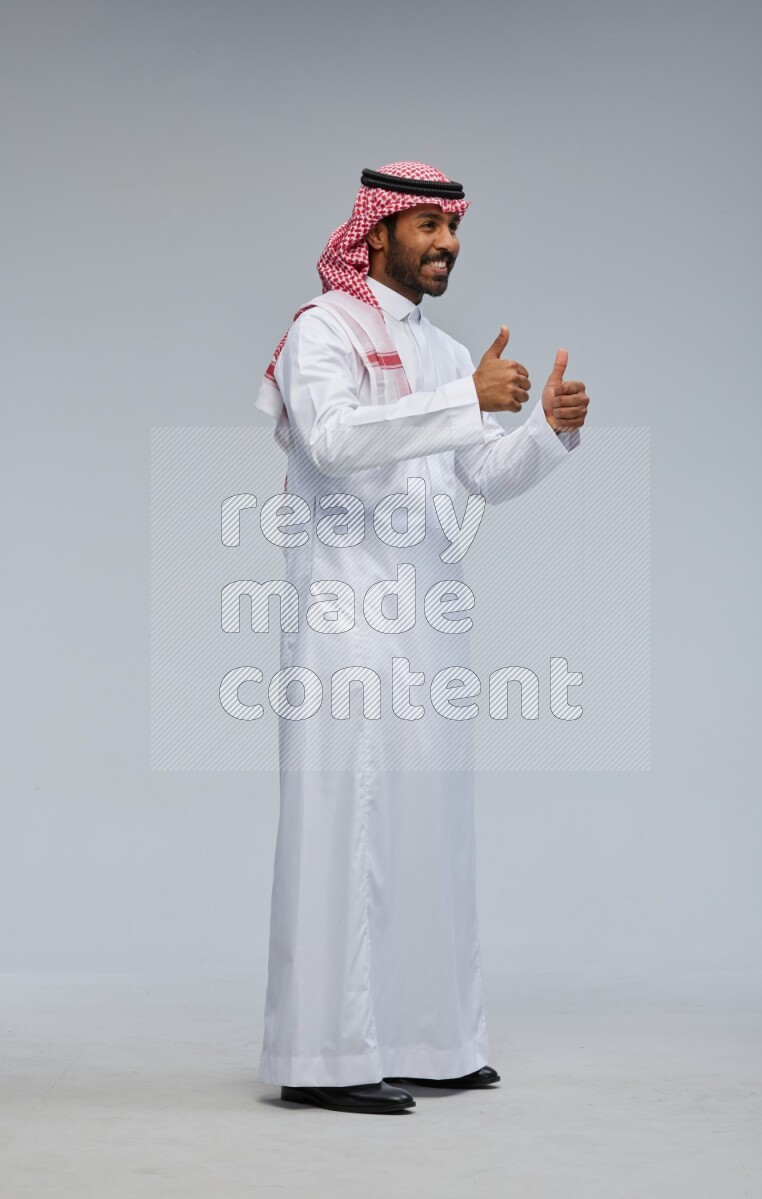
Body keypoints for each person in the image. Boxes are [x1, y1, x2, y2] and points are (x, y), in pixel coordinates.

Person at [254, 162, 589, 1115]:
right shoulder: (323, 331)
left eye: (454, 228)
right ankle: (325, 1057)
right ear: (375, 233)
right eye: (429, 226)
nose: (447, 243)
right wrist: (464, 398)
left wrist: (547, 435)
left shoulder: (445, 353)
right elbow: (332, 440)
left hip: (428, 628)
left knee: (428, 830)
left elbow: (477, 474)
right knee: (342, 830)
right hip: (345, 626)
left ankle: (432, 1039)